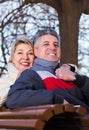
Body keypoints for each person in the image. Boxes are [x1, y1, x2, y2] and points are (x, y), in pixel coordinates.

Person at [6, 29, 89, 111]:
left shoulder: (69, 72)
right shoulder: (33, 74)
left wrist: (76, 78)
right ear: (36, 51)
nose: (52, 47)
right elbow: (14, 98)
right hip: (73, 121)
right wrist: (57, 100)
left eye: (56, 44)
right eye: (46, 44)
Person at [0, 37, 34, 108]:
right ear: (12, 59)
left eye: (30, 53)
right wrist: (18, 83)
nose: (25, 57)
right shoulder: (4, 82)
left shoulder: (40, 79)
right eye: (20, 53)